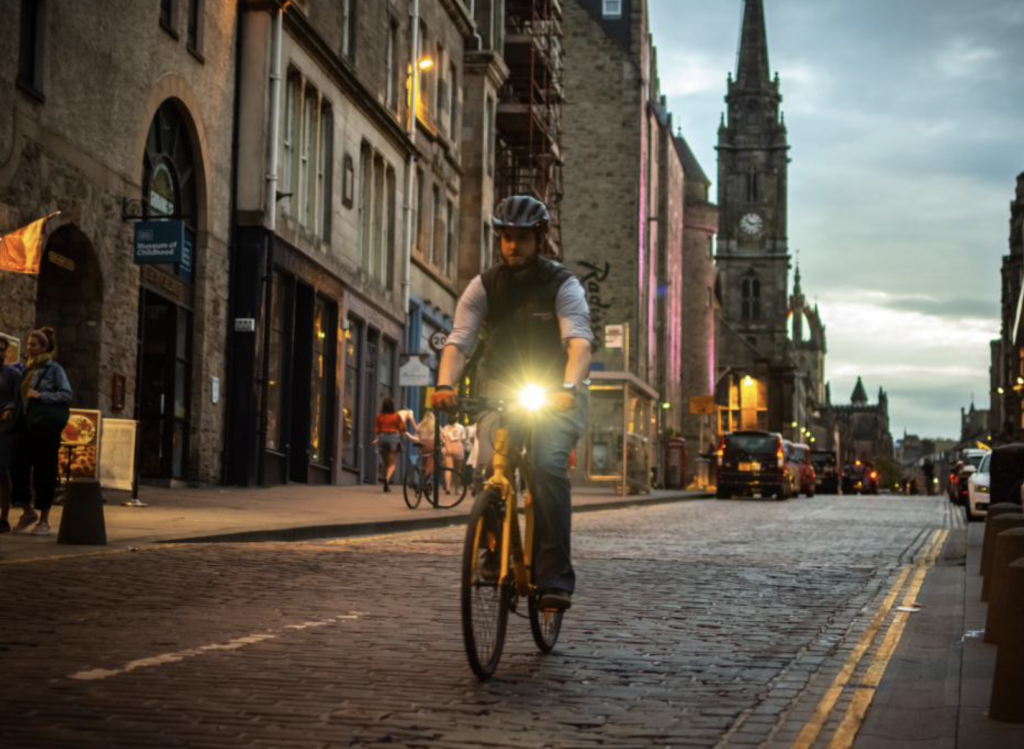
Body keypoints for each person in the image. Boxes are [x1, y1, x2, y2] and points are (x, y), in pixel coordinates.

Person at [431, 195, 592, 611]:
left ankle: (554, 575)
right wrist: (445, 383)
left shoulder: (563, 285)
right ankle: (490, 550)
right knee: (488, 464)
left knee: (545, 466)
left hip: (557, 393)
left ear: (539, 239)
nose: (512, 246)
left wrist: (568, 389)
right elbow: (459, 341)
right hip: (501, 388)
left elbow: (577, 344)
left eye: (521, 238)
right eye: (505, 238)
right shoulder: (484, 285)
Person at [11, 327, 72, 536]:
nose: (29, 348)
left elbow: (66, 394)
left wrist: (41, 395)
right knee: (17, 468)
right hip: (26, 426)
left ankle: (44, 520)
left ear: (44, 347)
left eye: (33, 344)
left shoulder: (54, 369)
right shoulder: (25, 369)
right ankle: (27, 511)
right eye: (28, 344)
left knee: (44, 473)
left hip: (46, 429)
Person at [0, 337, 23, 533]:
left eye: (2, 350)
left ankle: (3, 517)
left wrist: (9, 409)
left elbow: (17, 401)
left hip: (4, 429)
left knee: (1, 472)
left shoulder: (13, 374)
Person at [374, 397, 404, 492]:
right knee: (392, 464)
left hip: (382, 438)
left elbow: (377, 430)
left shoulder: (379, 417)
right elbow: (402, 428)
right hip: (393, 438)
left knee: (385, 463)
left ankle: (385, 481)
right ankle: (387, 479)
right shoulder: (397, 416)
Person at [440, 418, 467, 494]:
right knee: (458, 470)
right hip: (458, 447)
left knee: (448, 469)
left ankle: (448, 487)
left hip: (448, 448)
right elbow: (463, 439)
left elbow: (442, 440)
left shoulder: (445, 428)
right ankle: (457, 489)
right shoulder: (461, 427)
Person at [415, 410, 437, 480]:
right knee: (431, 462)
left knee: (424, 462)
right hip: (432, 444)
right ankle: (425, 477)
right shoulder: (435, 425)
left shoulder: (420, 425)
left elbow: (416, 435)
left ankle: (422, 478)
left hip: (422, 445)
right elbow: (441, 435)